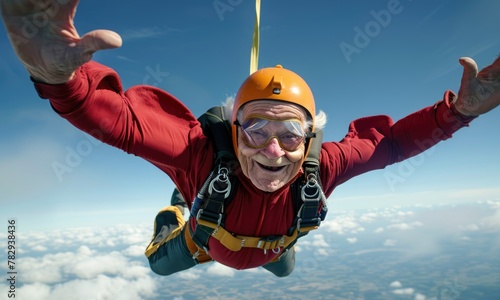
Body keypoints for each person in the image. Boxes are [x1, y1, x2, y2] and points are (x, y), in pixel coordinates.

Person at [2, 1, 499, 277]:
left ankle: (242, 231)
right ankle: (174, 208)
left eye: (291, 133)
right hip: (203, 241)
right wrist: (63, 83)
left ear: (310, 139)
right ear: (235, 130)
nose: (273, 150)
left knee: (283, 269)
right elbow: (123, 125)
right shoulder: (199, 152)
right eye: (257, 130)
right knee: (158, 266)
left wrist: (456, 113)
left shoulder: (320, 167)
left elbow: (390, 145)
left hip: (276, 243)